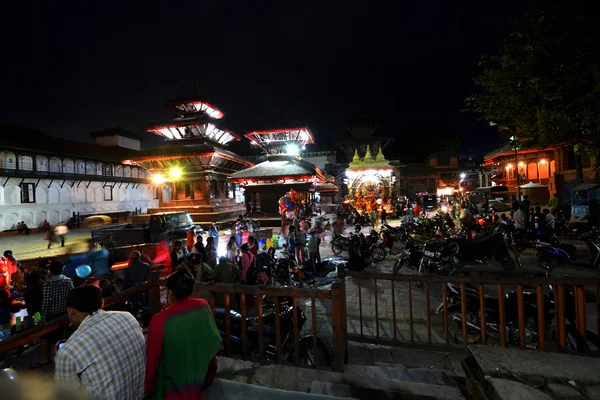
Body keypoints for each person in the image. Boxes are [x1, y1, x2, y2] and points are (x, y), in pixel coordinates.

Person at [55, 285, 146, 399]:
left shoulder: (68, 352)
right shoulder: (127, 317)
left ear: (71, 311)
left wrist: (61, 359)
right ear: (102, 303)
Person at [145, 269, 221, 400]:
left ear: (171, 293)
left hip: (172, 392)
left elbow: (153, 363)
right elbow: (213, 342)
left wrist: (148, 391)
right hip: (200, 383)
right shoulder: (202, 305)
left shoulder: (159, 320)